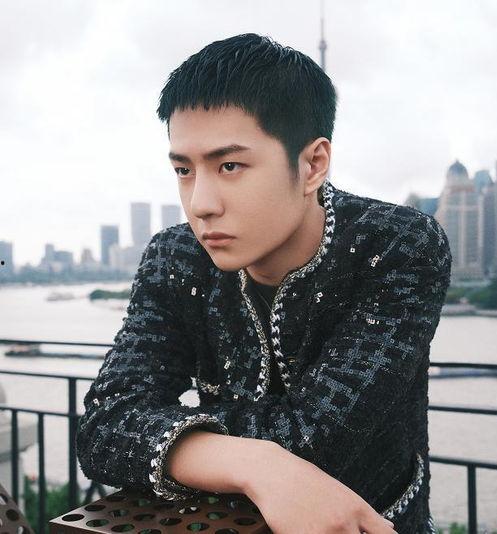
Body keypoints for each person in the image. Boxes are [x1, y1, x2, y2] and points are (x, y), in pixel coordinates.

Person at [76, 33, 451, 533]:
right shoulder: (176, 257)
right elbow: (103, 428)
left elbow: (318, 442)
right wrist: (257, 463)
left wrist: (188, 442)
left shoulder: (396, 245)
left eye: (230, 166)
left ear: (313, 165)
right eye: (184, 170)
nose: (201, 204)